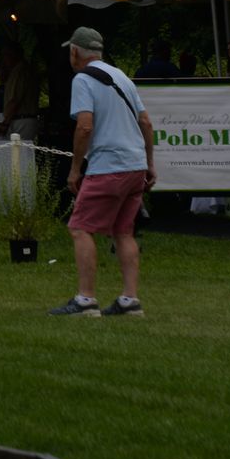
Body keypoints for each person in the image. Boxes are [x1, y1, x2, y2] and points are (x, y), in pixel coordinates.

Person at [50, 27, 155, 319]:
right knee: (123, 231)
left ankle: (86, 300)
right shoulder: (122, 76)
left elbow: (85, 126)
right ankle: (130, 300)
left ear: (75, 52)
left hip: (108, 165)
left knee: (80, 227)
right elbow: (146, 123)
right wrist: (149, 164)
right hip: (135, 165)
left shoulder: (82, 79)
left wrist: (74, 169)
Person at [0, 41, 42, 143]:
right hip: (18, 119)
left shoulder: (21, 71)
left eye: (5, 55)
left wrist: (5, 123)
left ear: (13, 55)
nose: (4, 59)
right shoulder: (17, 71)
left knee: (20, 155)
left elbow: (15, 100)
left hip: (22, 119)